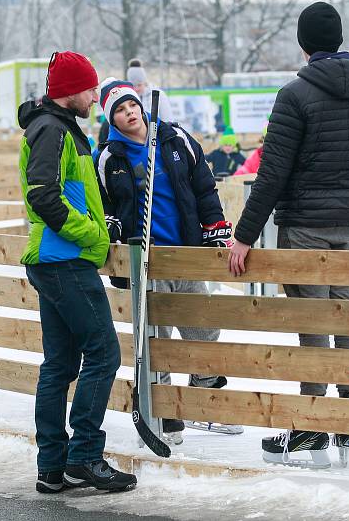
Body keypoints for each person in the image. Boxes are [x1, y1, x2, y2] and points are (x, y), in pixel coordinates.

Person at [227, 2, 349, 468]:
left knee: (313, 321)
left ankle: (314, 426)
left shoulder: (294, 94)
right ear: (338, 40)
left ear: (304, 44)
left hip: (306, 227)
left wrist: (244, 235)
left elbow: (272, 173)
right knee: (346, 312)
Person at [94, 78, 240, 445]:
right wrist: (110, 227)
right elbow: (105, 204)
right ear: (111, 119)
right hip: (146, 258)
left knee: (202, 327)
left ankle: (205, 395)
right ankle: (163, 411)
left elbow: (203, 186)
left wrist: (214, 224)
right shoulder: (110, 157)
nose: (129, 114)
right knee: (155, 339)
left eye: (131, 106)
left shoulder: (176, 139)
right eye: (120, 111)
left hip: (184, 253)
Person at [17, 51, 136, 494]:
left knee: (60, 364)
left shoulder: (59, 127)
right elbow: (44, 196)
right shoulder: (52, 129)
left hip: (55, 260)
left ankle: (52, 466)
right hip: (64, 260)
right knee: (105, 354)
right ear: (71, 91)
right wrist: (91, 235)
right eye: (89, 88)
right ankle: (85, 456)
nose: (94, 96)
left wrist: (93, 225)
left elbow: (66, 193)